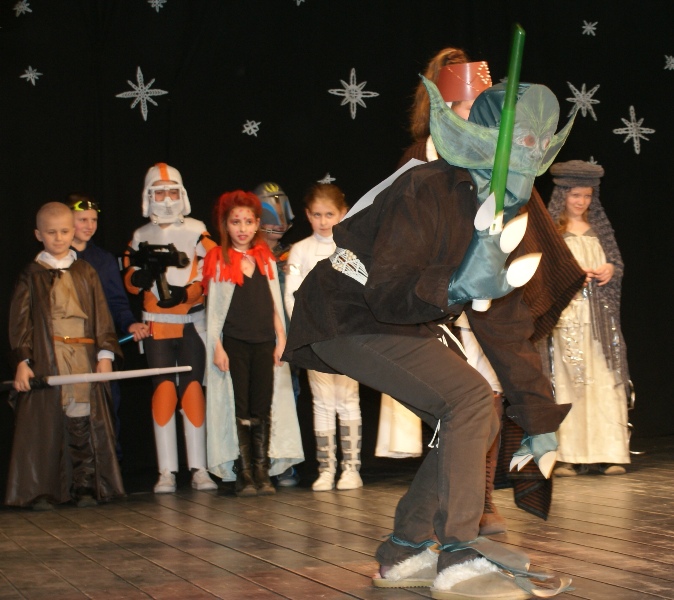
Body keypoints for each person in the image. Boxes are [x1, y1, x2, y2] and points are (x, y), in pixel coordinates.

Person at [283, 73, 575, 597]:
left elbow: (506, 325)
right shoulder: (428, 186)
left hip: (402, 321)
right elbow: (387, 291)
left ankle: (406, 550)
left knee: (477, 411)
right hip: (348, 312)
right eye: (523, 137)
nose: (531, 151)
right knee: (468, 398)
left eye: (541, 140)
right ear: (489, 136)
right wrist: (457, 283)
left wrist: (539, 418)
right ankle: (459, 555)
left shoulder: (506, 210)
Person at [397, 48, 586, 533]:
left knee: (489, 401)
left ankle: (475, 506)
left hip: (489, 306)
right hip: (434, 306)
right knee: (462, 406)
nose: (476, 120)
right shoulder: (420, 161)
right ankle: (448, 518)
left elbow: (523, 230)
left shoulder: (506, 162)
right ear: (444, 109)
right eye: (465, 108)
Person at [6, 202, 124, 510]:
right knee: (47, 423)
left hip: (83, 355)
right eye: (51, 232)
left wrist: (105, 354)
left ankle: (85, 486)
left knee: (81, 417)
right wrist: (23, 361)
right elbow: (20, 323)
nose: (58, 238)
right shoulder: (31, 275)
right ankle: (44, 490)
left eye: (64, 231)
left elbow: (101, 315)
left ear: (73, 232)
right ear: (38, 235)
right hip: (49, 356)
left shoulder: (86, 271)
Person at [123, 162, 218, 494]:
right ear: (148, 196)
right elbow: (129, 274)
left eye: (172, 192)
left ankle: (199, 468)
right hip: (158, 326)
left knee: (192, 392)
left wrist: (188, 293)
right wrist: (140, 277)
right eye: (159, 192)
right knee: (163, 392)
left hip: (191, 322)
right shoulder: (141, 236)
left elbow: (216, 266)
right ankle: (166, 471)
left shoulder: (196, 230)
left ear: (183, 194)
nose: (166, 200)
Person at [203, 190, 304, 497]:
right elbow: (214, 311)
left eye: (248, 222)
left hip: (264, 343)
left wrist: (281, 340)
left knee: (262, 405)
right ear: (225, 224)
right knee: (240, 406)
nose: (242, 228)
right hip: (234, 343)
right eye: (236, 222)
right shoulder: (219, 260)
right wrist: (217, 347)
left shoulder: (265, 259)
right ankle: (244, 470)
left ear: (257, 223)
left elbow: (274, 305)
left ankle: (262, 470)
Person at [545, 160, 631, 476]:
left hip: (600, 320)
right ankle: (568, 454)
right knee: (569, 381)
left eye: (587, 196)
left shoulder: (600, 229)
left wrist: (610, 270)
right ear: (562, 195)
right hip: (567, 319)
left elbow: (616, 263)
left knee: (605, 380)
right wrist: (569, 276)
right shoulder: (552, 231)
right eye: (575, 195)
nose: (581, 202)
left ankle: (610, 452)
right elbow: (540, 273)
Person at [284, 183, 363, 491]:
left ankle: (351, 469)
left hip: (346, 337)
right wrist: (309, 331)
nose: (323, 221)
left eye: (329, 214)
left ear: (343, 213)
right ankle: (326, 469)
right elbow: (291, 296)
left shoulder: (352, 248)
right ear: (307, 215)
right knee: (322, 402)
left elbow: (359, 292)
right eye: (316, 215)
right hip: (315, 338)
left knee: (348, 400)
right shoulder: (300, 250)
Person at [66, 193, 150, 459]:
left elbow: (116, 302)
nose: (89, 226)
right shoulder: (51, 260)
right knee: (69, 411)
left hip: (99, 347)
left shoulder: (102, 259)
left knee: (106, 409)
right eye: (82, 220)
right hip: (65, 349)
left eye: (93, 220)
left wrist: (130, 324)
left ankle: (109, 469)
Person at [254, 181, 301, 487]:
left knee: (288, 401)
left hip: (289, 344)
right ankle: (257, 462)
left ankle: (284, 462)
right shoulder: (247, 256)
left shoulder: (293, 255)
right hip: (257, 340)